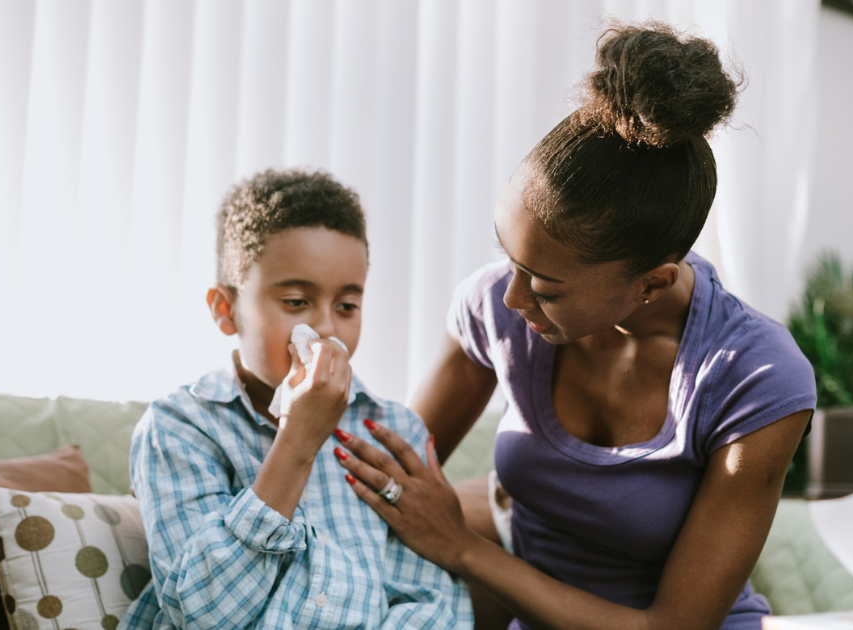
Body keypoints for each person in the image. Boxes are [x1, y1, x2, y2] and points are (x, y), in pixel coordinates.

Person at [332, 22, 815, 630]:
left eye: (545, 287)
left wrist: (462, 547)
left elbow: (672, 627)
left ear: (652, 284)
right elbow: (382, 472)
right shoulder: (494, 308)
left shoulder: (756, 377)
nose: (512, 296)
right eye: (510, 258)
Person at [121, 169, 472, 630]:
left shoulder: (394, 433)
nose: (326, 328)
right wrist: (298, 440)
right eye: (295, 301)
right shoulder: (181, 428)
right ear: (226, 310)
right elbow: (202, 612)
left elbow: (432, 603)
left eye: (347, 306)